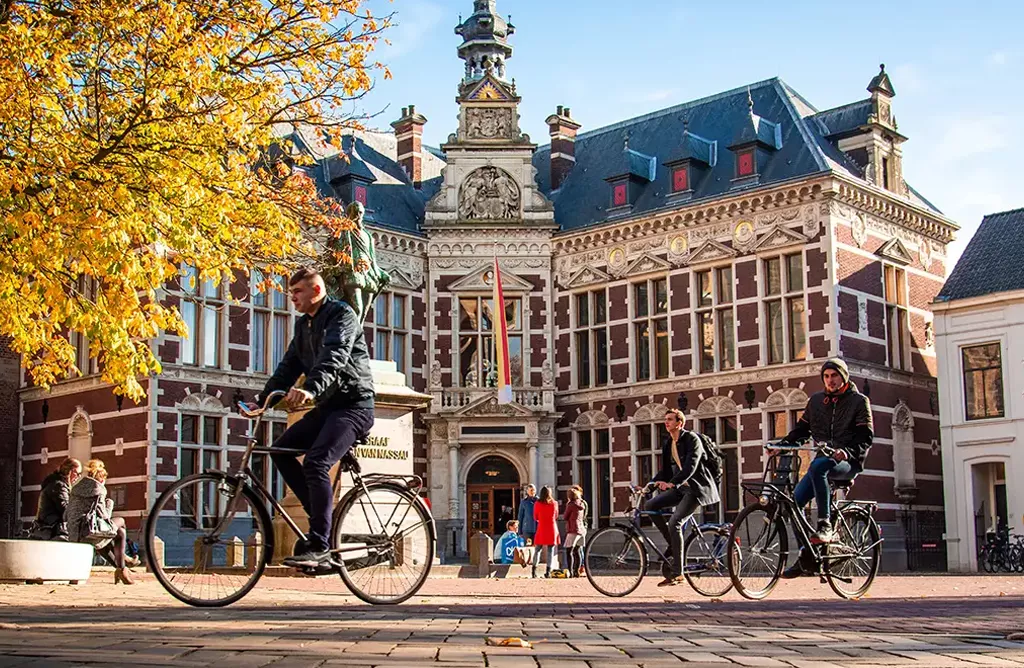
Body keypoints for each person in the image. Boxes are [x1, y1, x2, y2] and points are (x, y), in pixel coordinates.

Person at [256, 267, 375, 569]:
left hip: (354, 406)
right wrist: (261, 402)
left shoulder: (341, 315)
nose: (292, 298)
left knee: (316, 462)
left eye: (297, 292)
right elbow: (288, 367)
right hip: (328, 408)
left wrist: (310, 389)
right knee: (281, 451)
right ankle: (320, 518)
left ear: (316, 291)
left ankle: (321, 544)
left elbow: (334, 355)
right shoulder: (303, 326)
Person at [778, 358, 873, 578]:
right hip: (823, 463)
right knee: (794, 504)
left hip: (849, 461)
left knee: (819, 465)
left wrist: (847, 452)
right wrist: (780, 447)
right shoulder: (816, 401)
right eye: (827, 376)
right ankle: (807, 556)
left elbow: (865, 438)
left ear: (844, 376)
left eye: (835, 376)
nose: (830, 380)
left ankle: (825, 524)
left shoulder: (859, 402)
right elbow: (801, 431)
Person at [644, 408, 720, 587]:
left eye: (670, 419)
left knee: (675, 523)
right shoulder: (668, 443)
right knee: (650, 505)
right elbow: (666, 471)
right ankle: (673, 544)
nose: (666, 422)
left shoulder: (692, 439)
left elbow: (691, 465)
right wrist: (651, 484)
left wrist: (674, 483)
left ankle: (678, 573)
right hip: (681, 488)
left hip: (696, 489)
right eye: (666, 419)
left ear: (680, 423)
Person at [66, 459, 134, 585]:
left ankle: (122, 566)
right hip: (88, 532)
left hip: (74, 532)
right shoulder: (99, 489)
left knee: (114, 533)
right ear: (102, 478)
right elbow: (105, 517)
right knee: (121, 527)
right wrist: (110, 503)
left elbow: (67, 513)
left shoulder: (75, 489)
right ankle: (122, 565)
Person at [29, 458, 81, 541]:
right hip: (51, 531)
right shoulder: (58, 486)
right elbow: (65, 510)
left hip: (49, 529)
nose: (79, 477)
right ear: (71, 471)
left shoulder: (57, 483)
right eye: (78, 473)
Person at [531, 486, 559, 578]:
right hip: (551, 527)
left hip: (541, 527)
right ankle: (548, 572)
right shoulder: (554, 503)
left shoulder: (537, 503)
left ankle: (534, 571)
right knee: (550, 551)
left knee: (537, 550)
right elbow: (556, 515)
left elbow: (535, 517)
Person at [562, 487, 587, 578]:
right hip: (581, 529)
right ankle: (577, 571)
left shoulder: (571, 505)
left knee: (569, 551)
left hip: (573, 529)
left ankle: (571, 571)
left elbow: (565, 517)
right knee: (577, 551)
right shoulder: (581, 504)